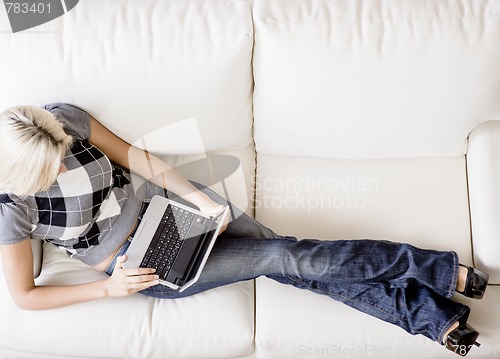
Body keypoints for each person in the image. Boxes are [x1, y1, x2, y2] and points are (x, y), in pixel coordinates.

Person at [0, 103, 489, 357]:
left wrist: (197, 198)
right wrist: (109, 290)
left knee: (293, 260)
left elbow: (135, 157)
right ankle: (435, 271)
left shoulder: (59, 119)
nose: (64, 159)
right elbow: (24, 295)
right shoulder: (11, 208)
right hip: (139, 259)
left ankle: (434, 319)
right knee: (282, 257)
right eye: (53, 166)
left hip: (168, 203)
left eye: (63, 150)